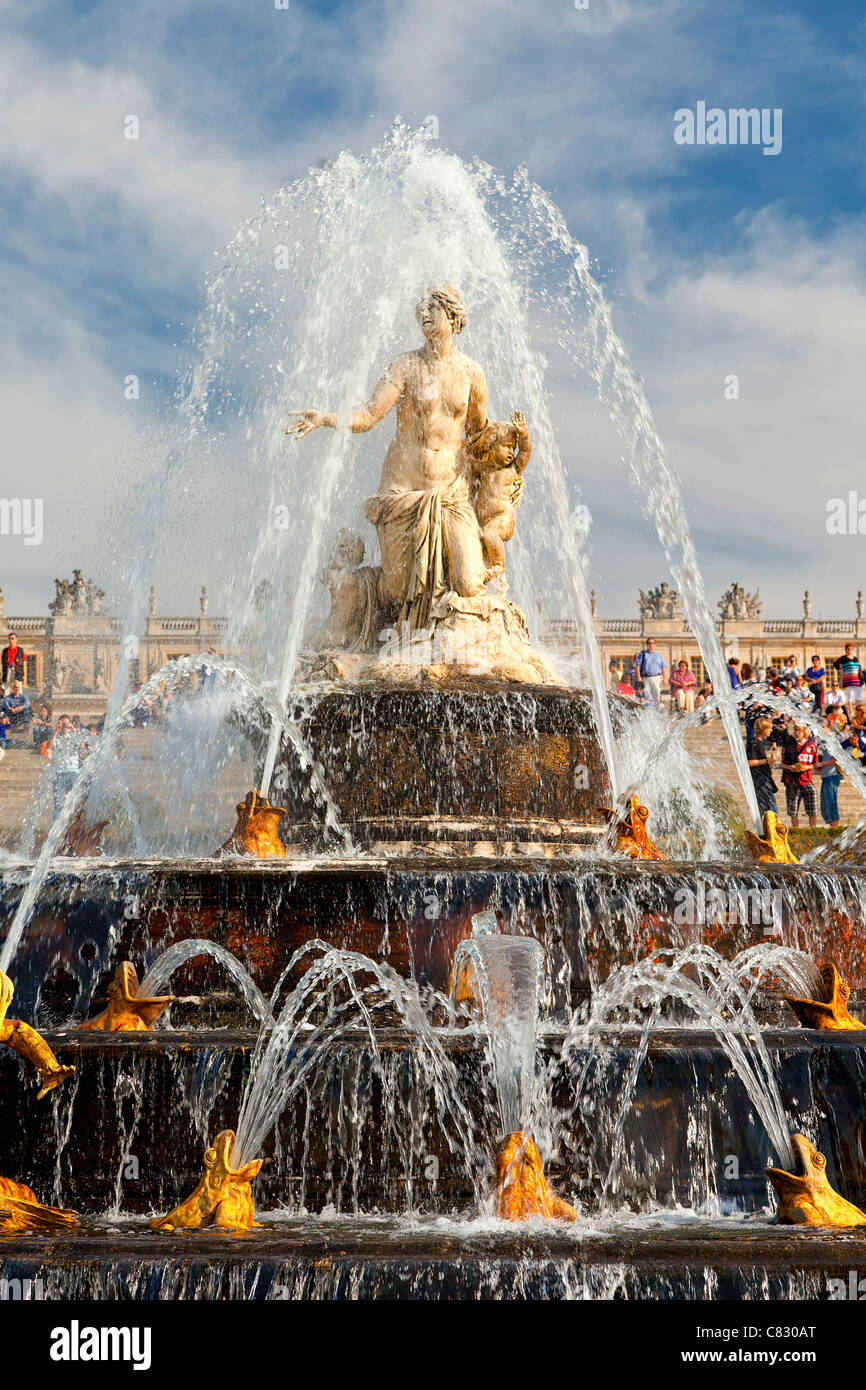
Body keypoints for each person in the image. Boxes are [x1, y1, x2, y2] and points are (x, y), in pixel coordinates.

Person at [288, 285, 490, 631]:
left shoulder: (472, 374)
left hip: (450, 495)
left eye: (432, 309)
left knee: (470, 583)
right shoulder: (406, 365)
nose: (424, 316)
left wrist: (512, 459)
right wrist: (325, 418)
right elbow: (367, 416)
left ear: (453, 315)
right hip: (402, 490)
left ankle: (454, 636)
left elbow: (479, 439)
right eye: (420, 311)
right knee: (398, 591)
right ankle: (360, 593)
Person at [466, 412, 531, 585]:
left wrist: (523, 433)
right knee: (474, 541)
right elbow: (468, 462)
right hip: (483, 520)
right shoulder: (485, 468)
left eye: (513, 447)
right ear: (491, 446)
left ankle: (499, 565)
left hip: (502, 518)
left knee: (490, 534)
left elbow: (525, 451)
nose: (511, 451)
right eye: (507, 446)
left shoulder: (513, 468)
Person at [781, 720, 818, 828]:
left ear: (805, 732)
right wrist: (790, 767)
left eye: (799, 731)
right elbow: (782, 763)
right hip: (792, 781)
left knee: (813, 808)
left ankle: (813, 829)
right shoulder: (789, 745)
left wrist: (807, 767)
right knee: (793, 811)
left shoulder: (811, 746)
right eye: (796, 730)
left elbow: (815, 764)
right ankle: (796, 829)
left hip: (806, 780)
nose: (797, 733)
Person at [48, 714, 83, 818]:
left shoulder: (73, 736)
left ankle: (75, 826)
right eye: (62, 723)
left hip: (73, 772)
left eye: (66, 723)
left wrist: (74, 729)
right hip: (60, 773)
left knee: (76, 801)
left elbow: (82, 746)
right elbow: (48, 747)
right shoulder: (56, 737)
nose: (64, 726)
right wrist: (55, 731)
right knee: (58, 802)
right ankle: (56, 830)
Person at [747, 716, 779, 816]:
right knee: (770, 809)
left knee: (768, 808)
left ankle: (768, 829)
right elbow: (750, 762)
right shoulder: (754, 743)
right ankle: (770, 830)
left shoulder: (758, 743)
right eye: (769, 728)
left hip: (764, 780)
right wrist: (766, 761)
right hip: (760, 782)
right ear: (763, 729)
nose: (771, 730)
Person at [816, 732, 842, 828]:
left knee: (831, 803)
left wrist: (822, 764)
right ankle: (832, 827)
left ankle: (834, 828)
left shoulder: (835, 742)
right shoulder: (824, 742)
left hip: (832, 776)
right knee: (825, 804)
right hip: (826, 776)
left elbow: (837, 759)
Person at [634, 637, 667, 709]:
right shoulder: (642, 654)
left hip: (656, 677)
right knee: (646, 694)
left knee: (657, 694)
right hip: (646, 678)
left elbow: (663, 667)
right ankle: (648, 711)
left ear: (655, 644)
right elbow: (638, 665)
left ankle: (657, 710)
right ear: (647, 644)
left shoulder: (659, 655)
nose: (651, 645)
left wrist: (664, 678)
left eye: (652, 643)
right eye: (649, 643)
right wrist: (638, 677)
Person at [834, 644, 865, 708]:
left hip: (857, 680)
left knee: (858, 696)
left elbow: (858, 666)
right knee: (850, 696)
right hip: (848, 680)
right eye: (848, 649)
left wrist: (861, 668)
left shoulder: (856, 658)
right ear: (846, 650)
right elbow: (835, 663)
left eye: (851, 649)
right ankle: (850, 710)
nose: (850, 650)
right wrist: (841, 669)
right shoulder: (843, 658)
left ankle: (858, 709)